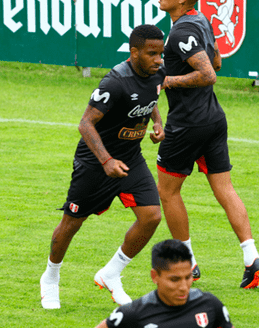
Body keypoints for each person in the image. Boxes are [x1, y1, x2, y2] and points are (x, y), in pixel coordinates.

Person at [40, 24, 167, 309]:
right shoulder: (115, 82)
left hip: (130, 159)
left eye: (161, 53)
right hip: (96, 163)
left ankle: (111, 273)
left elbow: (152, 98)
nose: (158, 59)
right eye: (151, 53)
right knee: (72, 223)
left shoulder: (158, 72)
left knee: (152, 217)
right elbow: (85, 124)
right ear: (133, 53)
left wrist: (158, 122)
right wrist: (106, 160)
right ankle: (50, 278)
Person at [156, 0, 259, 288]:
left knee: (167, 191)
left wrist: (167, 79)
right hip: (214, 119)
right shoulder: (200, 19)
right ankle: (251, 258)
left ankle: (187, 263)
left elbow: (208, 73)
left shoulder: (179, 33)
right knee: (225, 189)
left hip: (187, 125)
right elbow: (216, 61)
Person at [94, 239, 234, 328]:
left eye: (188, 277)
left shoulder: (210, 305)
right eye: (174, 280)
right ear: (155, 276)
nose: (183, 287)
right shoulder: (132, 314)